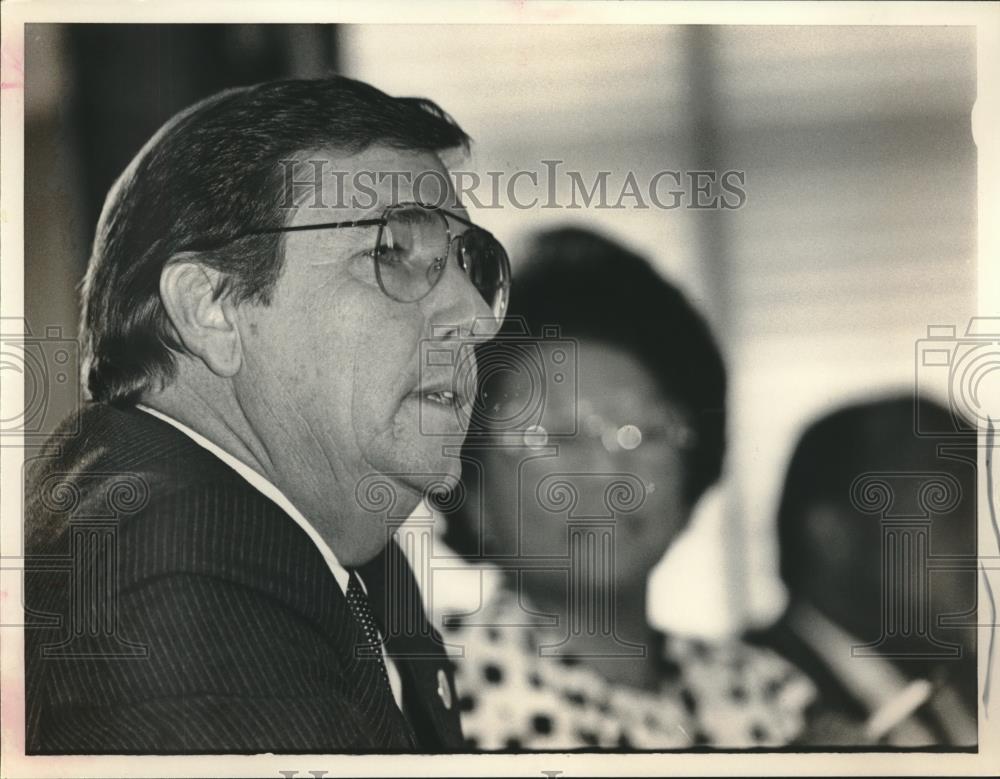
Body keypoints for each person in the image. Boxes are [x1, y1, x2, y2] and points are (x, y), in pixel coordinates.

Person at [24, 76, 511, 753]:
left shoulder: (331, 546)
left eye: (470, 263)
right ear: (213, 307)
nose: (475, 317)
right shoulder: (176, 569)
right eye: (396, 252)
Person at [437, 228, 815, 750]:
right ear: (471, 489)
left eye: (642, 431)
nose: (607, 473)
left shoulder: (772, 699)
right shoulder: (429, 693)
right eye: (553, 436)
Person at [748, 396, 978, 747]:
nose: (982, 536)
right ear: (831, 534)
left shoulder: (969, 683)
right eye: (952, 503)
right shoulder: (747, 704)